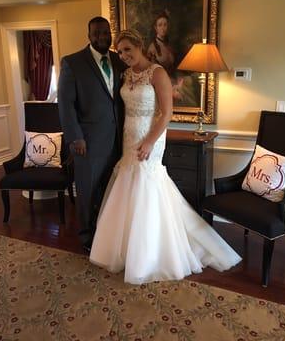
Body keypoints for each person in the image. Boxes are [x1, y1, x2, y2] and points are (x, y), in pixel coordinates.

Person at [89, 29, 241, 284]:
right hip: (129, 136)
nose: (124, 55)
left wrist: (149, 141)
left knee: (147, 184)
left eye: (128, 49)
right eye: (120, 51)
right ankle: (126, 247)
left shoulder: (158, 73)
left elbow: (166, 113)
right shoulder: (125, 74)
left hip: (151, 136)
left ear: (139, 46)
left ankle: (150, 253)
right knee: (128, 184)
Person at [58, 16, 126, 252]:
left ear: (110, 33)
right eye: (96, 33)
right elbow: (65, 105)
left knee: (110, 190)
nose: (102, 37)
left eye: (105, 32)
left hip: (118, 141)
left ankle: (106, 232)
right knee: (87, 191)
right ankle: (86, 237)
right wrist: (75, 138)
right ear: (89, 35)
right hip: (87, 142)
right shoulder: (73, 62)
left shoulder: (119, 60)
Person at [147, 11, 175, 75]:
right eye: (160, 25)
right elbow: (151, 72)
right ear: (156, 28)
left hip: (171, 79)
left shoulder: (169, 45)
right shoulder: (152, 48)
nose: (163, 28)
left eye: (165, 25)